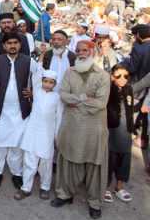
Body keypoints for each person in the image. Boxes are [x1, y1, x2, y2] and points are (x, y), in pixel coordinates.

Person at [52, 40, 110, 219]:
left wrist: (76, 101)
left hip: (94, 128)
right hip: (72, 126)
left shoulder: (102, 75)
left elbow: (100, 103)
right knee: (68, 161)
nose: (81, 53)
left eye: (85, 50)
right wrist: (85, 98)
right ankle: (64, 194)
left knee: (94, 165)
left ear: (92, 52)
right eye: (78, 51)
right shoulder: (70, 72)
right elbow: (63, 94)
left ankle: (94, 203)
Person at [0, 32, 41, 190]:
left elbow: (41, 78)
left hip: (20, 110)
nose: (13, 45)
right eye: (9, 43)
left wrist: (34, 92)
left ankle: (17, 173)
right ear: (4, 46)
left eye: (15, 42)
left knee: (17, 144)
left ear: (20, 45)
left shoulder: (29, 61)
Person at [15, 70, 63, 201]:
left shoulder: (57, 98)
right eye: (45, 81)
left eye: (51, 82)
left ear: (55, 84)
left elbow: (59, 118)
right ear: (42, 81)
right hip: (33, 131)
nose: (47, 84)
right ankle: (26, 188)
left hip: (47, 134)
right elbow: (36, 72)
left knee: (45, 163)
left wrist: (56, 136)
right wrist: (41, 55)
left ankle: (45, 187)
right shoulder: (36, 90)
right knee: (29, 161)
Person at [103, 65, 135, 203]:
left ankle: (119, 187)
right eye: (118, 76)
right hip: (111, 129)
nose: (122, 79)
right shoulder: (107, 89)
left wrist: (132, 128)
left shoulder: (129, 88)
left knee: (125, 158)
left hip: (126, 130)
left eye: (126, 76)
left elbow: (131, 108)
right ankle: (105, 187)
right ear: (111, 76)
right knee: (110, 158)